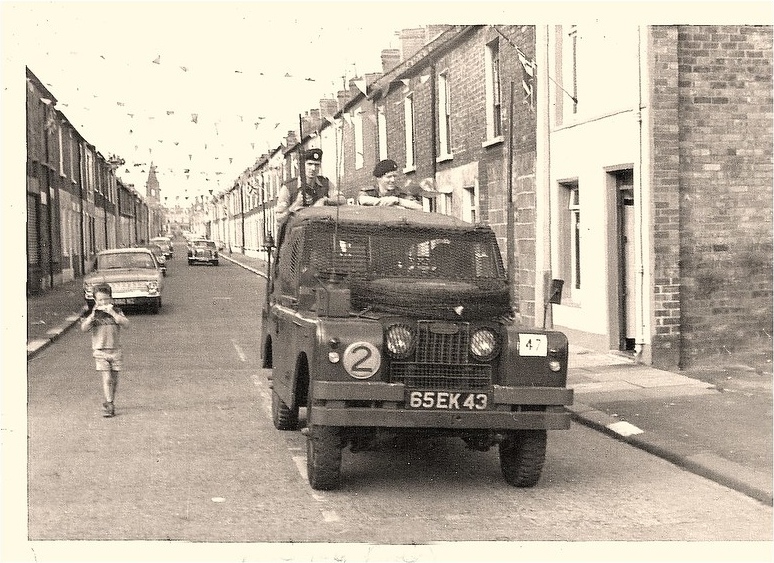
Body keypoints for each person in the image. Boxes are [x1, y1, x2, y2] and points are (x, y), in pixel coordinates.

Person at [80, 283, 130, 418]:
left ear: (111, 299)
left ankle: (110, 401)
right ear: (95, 301)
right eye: (101, 300)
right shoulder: (94, 315)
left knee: (114, 380)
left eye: (106, 299)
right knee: (107, 379)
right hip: (100, 351)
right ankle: (110, 404)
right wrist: (92, 316)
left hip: (116, 350)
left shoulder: (117, 311)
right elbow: (84, 328)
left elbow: (126, 324)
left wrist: (112, 312)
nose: (104, 302)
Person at [275, 148, 345, 226]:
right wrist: (296, 204)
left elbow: (342, 200)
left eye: (317, 165)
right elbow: (279, 219)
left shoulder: (325, 183)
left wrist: (325, 200)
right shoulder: (288, 187)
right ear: (302, 165)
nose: (313, 168)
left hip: (319, 230)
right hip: (296, 233)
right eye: (309, 164)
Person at [358, 159, 423, 210]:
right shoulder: (369, 192)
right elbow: (362, 200)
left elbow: (419, 207)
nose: (393, 180)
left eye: (395, 176)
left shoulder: (401, 193)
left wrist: (397, 200)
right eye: (389, 177)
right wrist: (388, 203)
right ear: (379, 178)